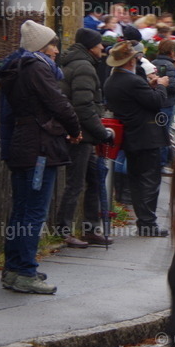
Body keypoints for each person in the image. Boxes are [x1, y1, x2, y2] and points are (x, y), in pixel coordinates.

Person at [0, 20, 82, 294]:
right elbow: (59, 104)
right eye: (52, 45)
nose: (56, 51)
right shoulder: (37, 68)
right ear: (41, 48)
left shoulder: (17, 68)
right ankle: (24, 272)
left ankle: (13, 268)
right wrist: (75, 129)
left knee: (21, 210)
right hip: (40, 149)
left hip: (23, 145)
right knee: (33, 213)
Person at [55, 28, 115, 248]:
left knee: (94, 180)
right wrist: (102, 133)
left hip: (82, 133)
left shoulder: (75, 62)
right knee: (75, 183)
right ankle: (63, 231)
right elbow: (83, 106)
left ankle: (90, 229)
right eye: (100, 44)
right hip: (80, 135)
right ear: (91, 47)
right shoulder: (84, 67)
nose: (102, 48)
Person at [104, 41, 170, 237]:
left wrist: (148, 87)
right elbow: (157, 101)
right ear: (130, 61)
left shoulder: (112, 81)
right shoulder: (132, 81)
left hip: (131, 136)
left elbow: (136, 98)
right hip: (145, 136)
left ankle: (145, 221)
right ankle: (148, 223)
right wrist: (160, 86)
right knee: (149, 181)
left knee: (137, 180)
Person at [152, 39, 175, 174]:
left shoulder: (153, 63)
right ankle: (162, 163)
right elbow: (172, 86)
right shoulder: (169, 65)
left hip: (156, 102)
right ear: (171, 52)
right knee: (165, 133)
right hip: (167, 103)